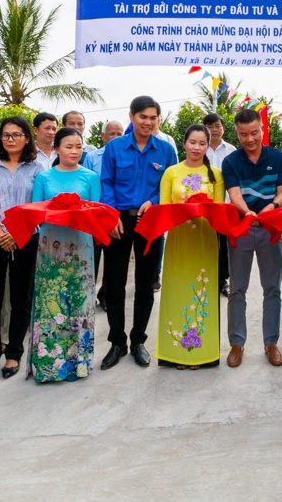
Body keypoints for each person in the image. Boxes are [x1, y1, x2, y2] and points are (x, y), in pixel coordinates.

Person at [99, 95, 177, 369]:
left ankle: (138, 341)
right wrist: (110, 215)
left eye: (153, 117)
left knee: (145, 284)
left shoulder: (166, 150)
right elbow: (106, 182)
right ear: (131, 116)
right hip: (118, 221)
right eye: (143, 116)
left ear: (158, 120)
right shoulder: (114, 148)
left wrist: (154, 201)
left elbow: (171, 185)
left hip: (151, 220)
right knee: (114, 284)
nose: (148, 121)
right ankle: (117, 342)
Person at [28, 127, 101, 382]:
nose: (74, 151)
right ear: (56, 149)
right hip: (51, 248)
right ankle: (48, 365)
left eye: (79, 146)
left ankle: (78, 364)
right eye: (69, 146)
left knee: (79, 303)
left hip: (81, 247)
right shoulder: (43, 177)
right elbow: (35, 212)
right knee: (52, 304)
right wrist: (58, 209)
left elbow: (97, 213)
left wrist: (77, 211)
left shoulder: (91, 177)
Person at [222, 108, 282, 368]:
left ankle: (270, 343)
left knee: (272, 288)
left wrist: (272, 206)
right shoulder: (231, 162)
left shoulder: (278, 157)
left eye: (254, 133)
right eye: (243, 135)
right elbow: (235, 194)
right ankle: (237, 344)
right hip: (241, 229)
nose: (249, 139)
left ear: (262, 129)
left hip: (270, 228)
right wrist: (247, 212)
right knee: (237, 289)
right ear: (236, 133)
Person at [0, 117, 42, 382]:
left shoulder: (38, 168)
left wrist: (17, 232)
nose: (10, 139)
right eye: (5, 135)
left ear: (27, 137)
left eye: (16, 134)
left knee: (21, 299)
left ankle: (14, 353)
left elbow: (39, 206)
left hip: (27, 237)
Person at [155, 124, 225, 369]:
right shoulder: (171, 172)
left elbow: (218, 212)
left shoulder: (215, 174)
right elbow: (163, 208)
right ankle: (176, 354)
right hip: (178, 239)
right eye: (192, 142)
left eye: (202, 143)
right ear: (184, 143)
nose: (197, 147)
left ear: (208, 146)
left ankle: (200, 354)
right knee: (177, 292)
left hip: (205, 240)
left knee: (201, 294)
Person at [84, 119, 123, 309]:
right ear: (103, 136)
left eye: (119, 134)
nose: (115, 137)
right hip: (96, 214)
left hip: (116, 212)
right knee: (93, 256)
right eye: (111, 134)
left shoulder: (125, 153)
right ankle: (88, 295)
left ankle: (105, 295)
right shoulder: (92, 157)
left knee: (113, 258)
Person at [204, 112, 235, 297]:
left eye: (217, 125)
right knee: (204, 242)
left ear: (223, 128)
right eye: (210, 126)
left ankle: (222, 280)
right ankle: (204, 277)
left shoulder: (231, 150)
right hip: (203, 206)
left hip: (225, 205)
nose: (214, 130)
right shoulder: (199, 148)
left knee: (223, 245)